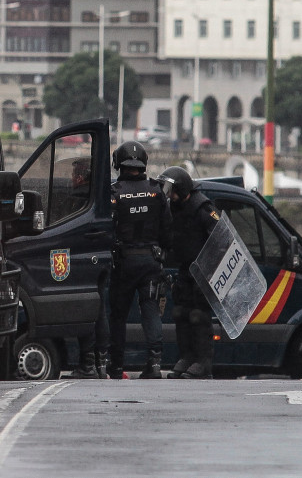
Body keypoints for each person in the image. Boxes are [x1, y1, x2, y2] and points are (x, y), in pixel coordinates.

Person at [107, 141, 171, 380]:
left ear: (118, 163)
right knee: (151, 312)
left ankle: (115, 367)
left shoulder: (114, 193)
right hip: (151, 263)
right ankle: (154, 365)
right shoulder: (156, 191)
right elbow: (168, 230)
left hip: (123, 264)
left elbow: (107, 230)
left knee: (118, 316)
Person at [158, 166, 220, 379]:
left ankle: (203, 362)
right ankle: (187, 357)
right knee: (180, 313)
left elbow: (220, 238)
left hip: (203, 271)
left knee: (198, 316)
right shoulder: (173, 208)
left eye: (171, 190)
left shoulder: (202, 207)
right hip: (185, 269)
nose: (169, 194)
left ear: (182, 189)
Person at [67, 158, 110, 379]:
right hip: (102, 260)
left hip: (82, 261)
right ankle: (101, 363)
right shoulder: (102, 199)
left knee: (87, 312)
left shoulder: (78, 199)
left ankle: (88, 364)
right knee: (101, 311)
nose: (72, 179)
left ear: (82, 177)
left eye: (75, 174)